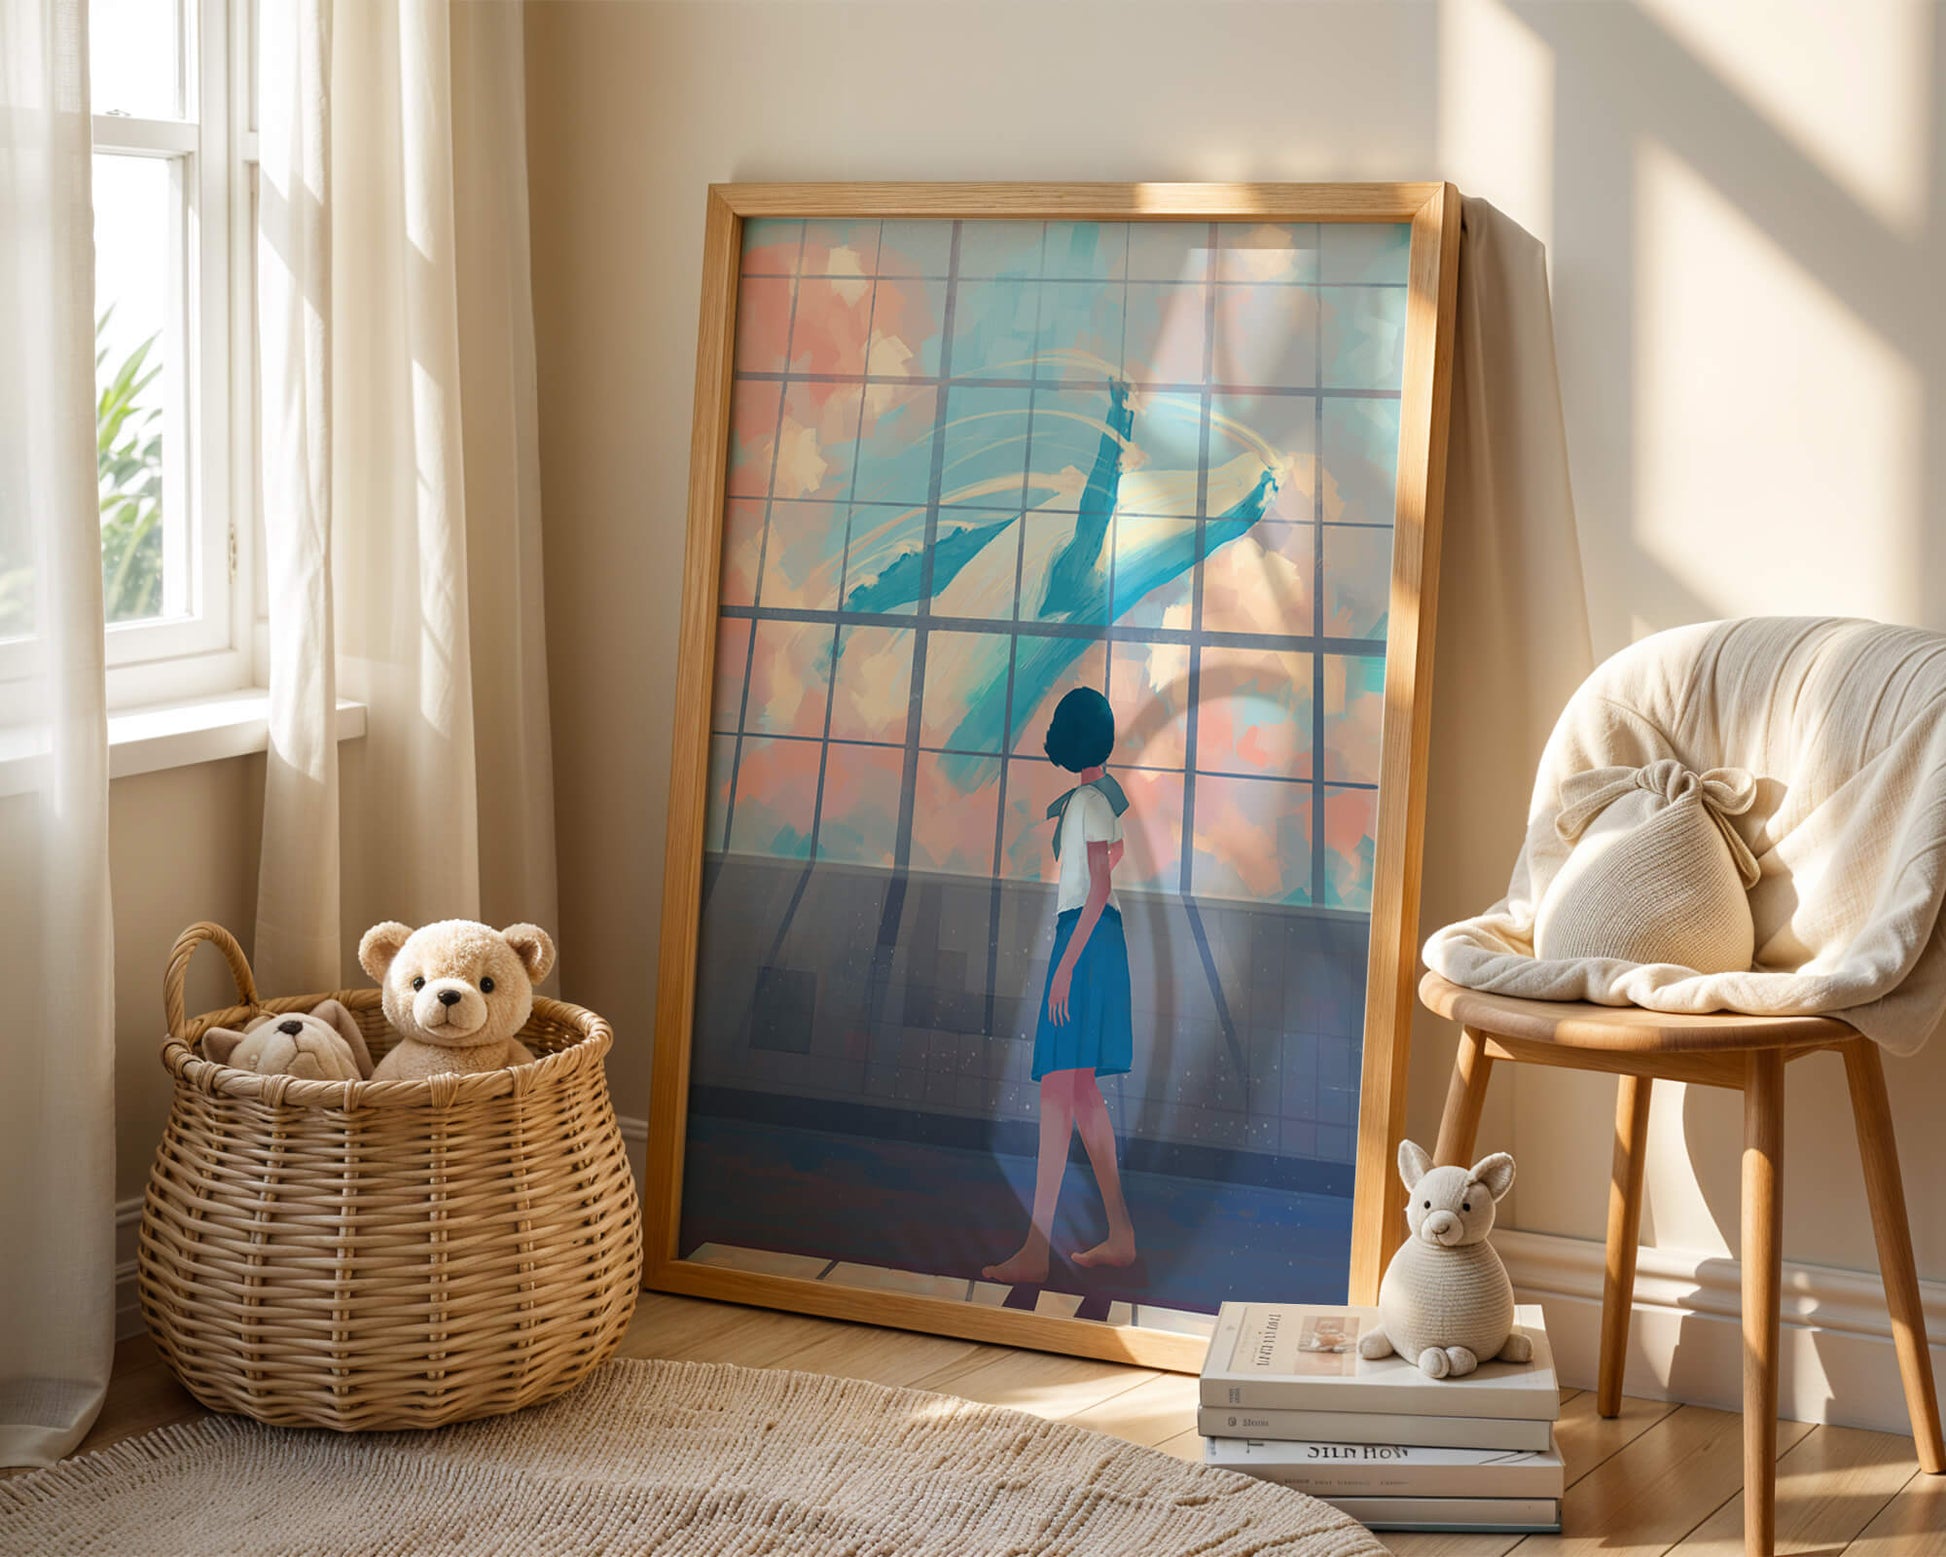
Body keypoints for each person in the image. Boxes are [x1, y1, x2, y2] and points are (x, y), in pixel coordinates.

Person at [983, 686, 1139, 1284]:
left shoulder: (1090, 804)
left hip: (1086, 941)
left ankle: (1036, 1249)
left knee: (1059, 1091)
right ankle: (1115, 1233)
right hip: (1088, 938)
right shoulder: (1091, 803)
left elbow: (1097, 890)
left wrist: (1068, 965)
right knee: (1076, 1094)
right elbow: (1104, 867)